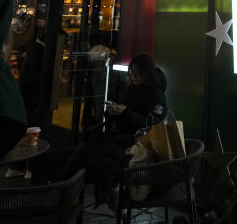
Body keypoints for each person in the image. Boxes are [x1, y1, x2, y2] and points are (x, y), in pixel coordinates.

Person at [65, 54, 166, 208]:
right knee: (84, 154)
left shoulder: (157, 95)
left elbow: (151, 125)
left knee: (89, 157)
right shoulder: (129, 90)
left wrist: (125, 113)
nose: (134, 77)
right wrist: (112, 113)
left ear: (147, 74)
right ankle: (67, 192)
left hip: (135, 144)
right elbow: (121, 112)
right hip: (118, 138)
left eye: (137, 73)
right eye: (131, 73)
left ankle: (67, 195)